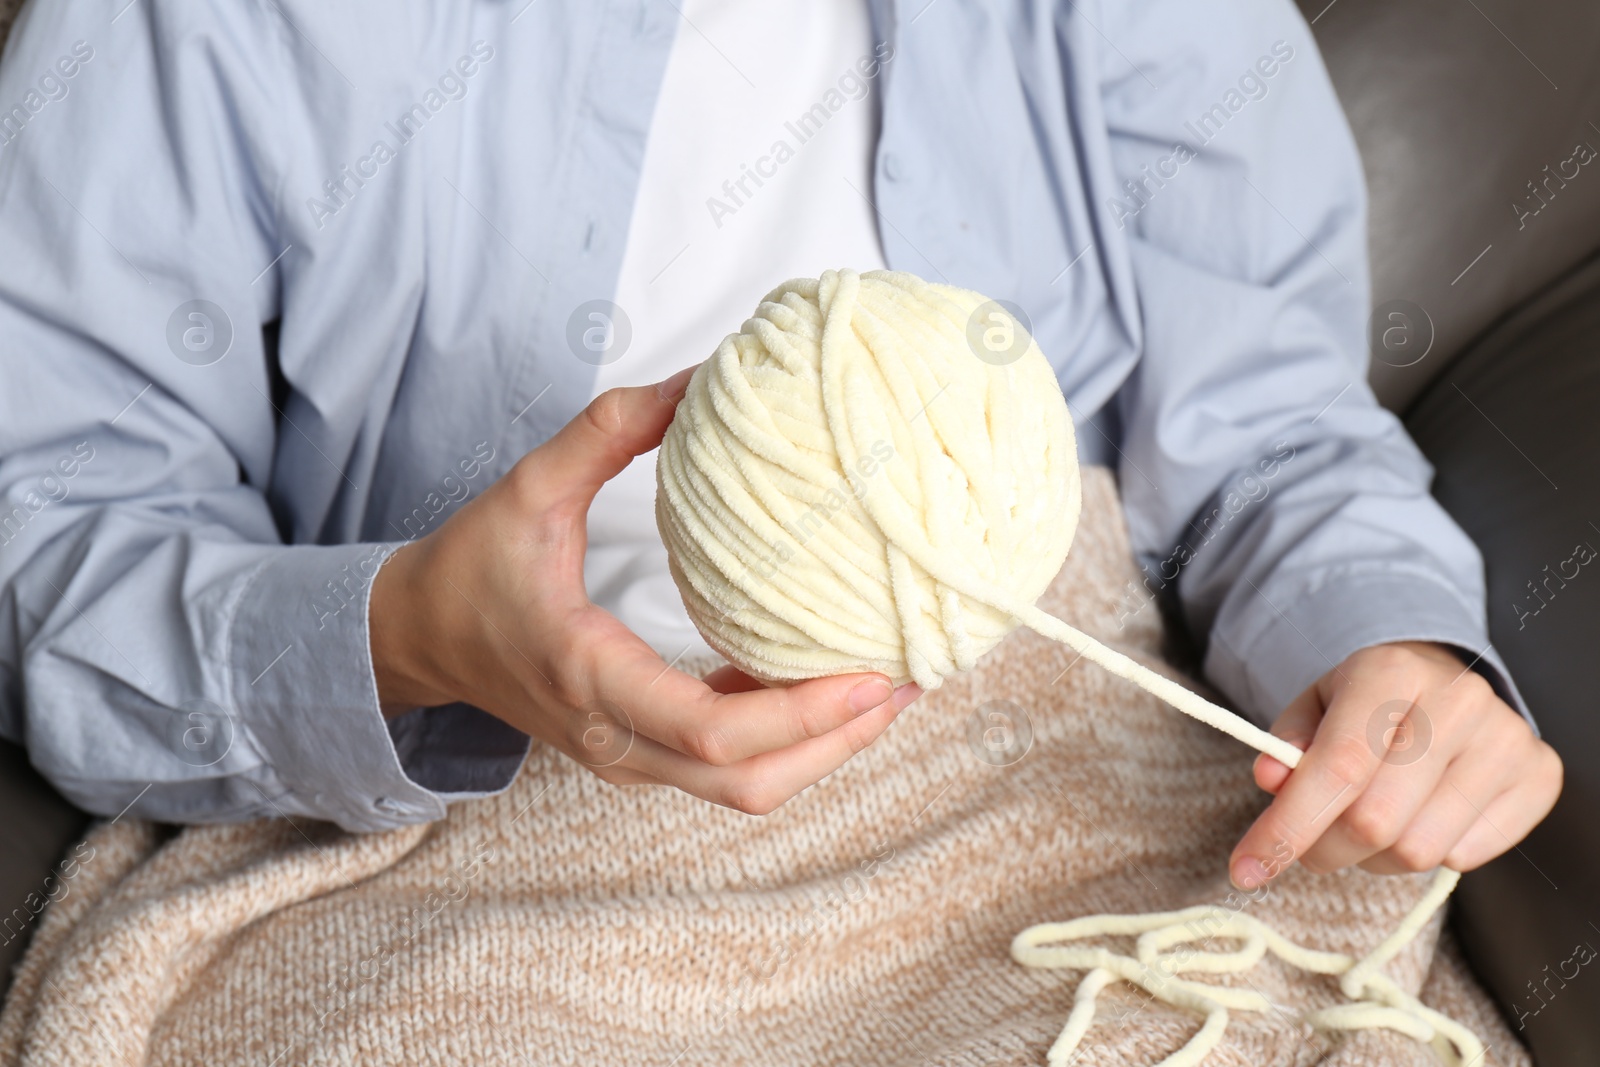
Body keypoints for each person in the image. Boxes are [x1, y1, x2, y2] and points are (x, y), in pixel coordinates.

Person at [0, 0, 1559, 1013]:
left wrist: (1390, 655)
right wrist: (404, 637)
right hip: (470, 806)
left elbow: (1275, 432)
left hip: (1066, 736)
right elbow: (48, 527)